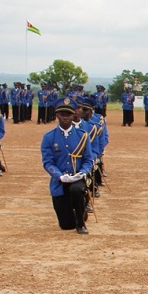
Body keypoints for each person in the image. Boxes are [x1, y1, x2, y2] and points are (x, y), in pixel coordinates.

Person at [40, 97, 94, 234]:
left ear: (73, 114)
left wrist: (82, 172)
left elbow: (88, 159)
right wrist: (59, 176)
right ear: (57, 115)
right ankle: (78, 213)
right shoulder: (49, 137)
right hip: (59, 181)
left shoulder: (83, 135)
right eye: (62, 114)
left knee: (76, 190)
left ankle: (81, 223)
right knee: (66, 225)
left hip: (77, 178)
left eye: (68, 114)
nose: (65, 117)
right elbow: (48, 162)